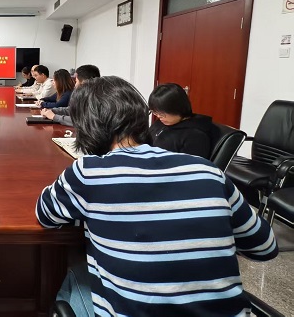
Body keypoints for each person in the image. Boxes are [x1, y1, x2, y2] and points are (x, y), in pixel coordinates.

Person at [36, 77, 277, 317]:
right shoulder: (207, 170)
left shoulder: (87, 172)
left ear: (86, 128)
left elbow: (45, 214)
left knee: (74, 272)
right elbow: (265, 246)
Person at [148, 82, 214, 159]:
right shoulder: (162, 122)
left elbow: (189, 164)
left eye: (162, 113)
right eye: (155, 112)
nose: (159, 116)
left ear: (177, 108)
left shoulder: (195, 136)